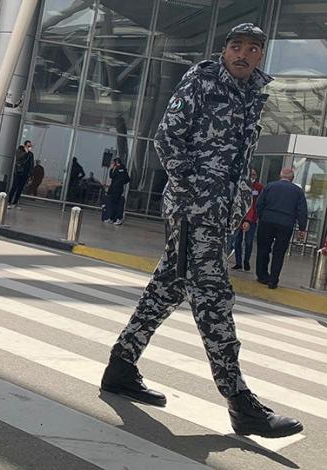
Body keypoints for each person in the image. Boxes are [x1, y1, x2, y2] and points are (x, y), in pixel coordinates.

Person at [100, 23, 302, 439]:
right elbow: (166, 138)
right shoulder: (203, 82)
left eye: (252, 49)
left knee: (168, 287)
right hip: (196, 211)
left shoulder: (250, 95)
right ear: (224, 51)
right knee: (213, 298)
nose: (243, 54)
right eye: (236, 46)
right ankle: (239, 401)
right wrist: (196, 194)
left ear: (260, 56)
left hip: (217, 212)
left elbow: (237, 159)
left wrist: (238, 199)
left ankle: (121, 366)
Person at [255, 168, 308, 289]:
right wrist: (302, 228)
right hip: (286, 224)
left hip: (267, 220)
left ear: (280, 176)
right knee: (279, 252)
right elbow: (302, 210)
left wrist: (261, 216)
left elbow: (260, 203)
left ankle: (262, 276)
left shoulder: (269, 186)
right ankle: (273, 280)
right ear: (292, 178)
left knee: (263, 248)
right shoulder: (298, 191)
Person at [231, 168, 264, 271]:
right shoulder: (241, 185)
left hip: (252, 219)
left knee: (248, 242)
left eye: (254, 174)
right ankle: (238, 262)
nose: (252, 176)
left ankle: (246, 261)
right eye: (251, 174)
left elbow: (259, 203)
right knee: (237, 241)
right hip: (239, 218)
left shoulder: (259, 187)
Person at [7, 140, 34, 208]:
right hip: (18, 173)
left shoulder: (31, 154)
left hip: (25, 174)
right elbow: (18, 157)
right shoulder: (19, 151)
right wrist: (25, 152)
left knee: (20, 189)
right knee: (14, 187)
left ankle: (15, 203)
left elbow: (31, 164)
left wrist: (30, 174)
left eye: (30, 146)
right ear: (25, 146)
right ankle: (9, 201)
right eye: (28, 146)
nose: (29, 147)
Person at [104, 157, 131, 225]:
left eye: (113, 163)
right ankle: (113, 218)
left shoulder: (117, 169)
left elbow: (111, 176)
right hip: (118, 188)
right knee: (115, 204)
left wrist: (112, 168)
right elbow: (127, 179)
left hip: (115, 189)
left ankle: (116, 218)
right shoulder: (124, 169)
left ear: (116, 163)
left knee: (114, 204)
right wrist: (121, 183)